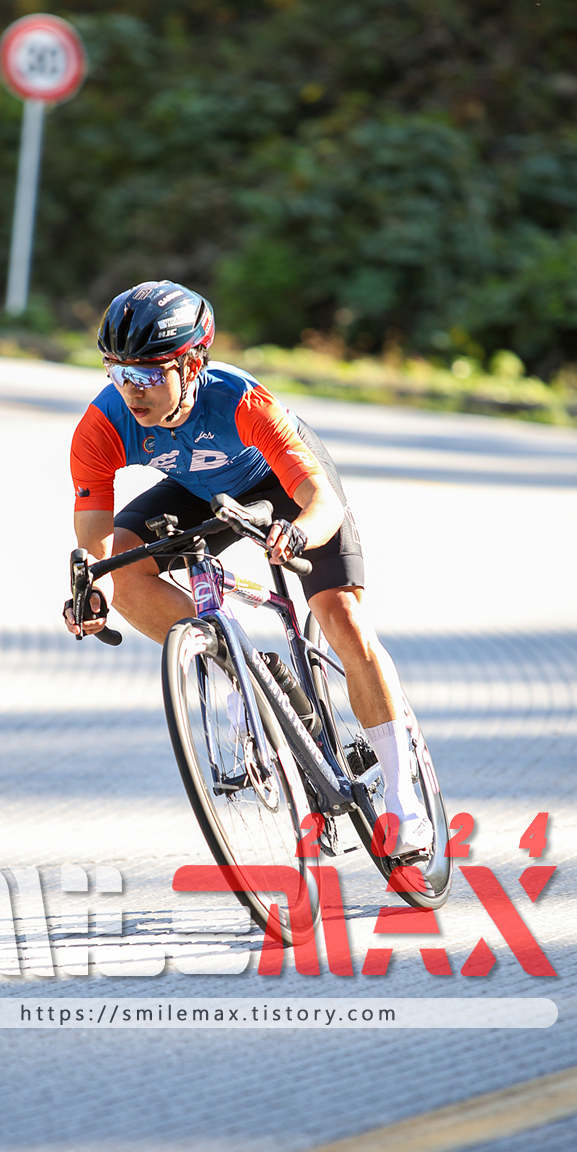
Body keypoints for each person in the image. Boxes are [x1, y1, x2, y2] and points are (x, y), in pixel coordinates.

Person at [63, 279, 433, 856]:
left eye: (148, 374)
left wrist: (300, 533)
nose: (131, 390)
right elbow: (96, 543)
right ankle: (242, 667)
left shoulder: (241, 401)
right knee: (124, 570)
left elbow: (322, 502)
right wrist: (93, 590)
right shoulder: (103, 424)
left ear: (191, 365)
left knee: (341, 615)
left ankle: (405, 801)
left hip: (286, 487)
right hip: (201, 489)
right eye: (118, 372)